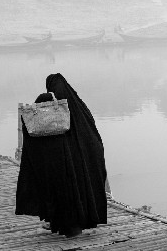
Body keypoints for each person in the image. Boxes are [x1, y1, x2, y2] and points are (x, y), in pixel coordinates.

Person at [15, 73, 108, 238]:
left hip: (56, 165)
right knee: (77, 191)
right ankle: (81, 221)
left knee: (59, 193)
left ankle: (64, 225)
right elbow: (92, 140)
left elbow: (32, 133)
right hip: (79, 165)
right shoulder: (77, 109)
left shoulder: (45, 107)